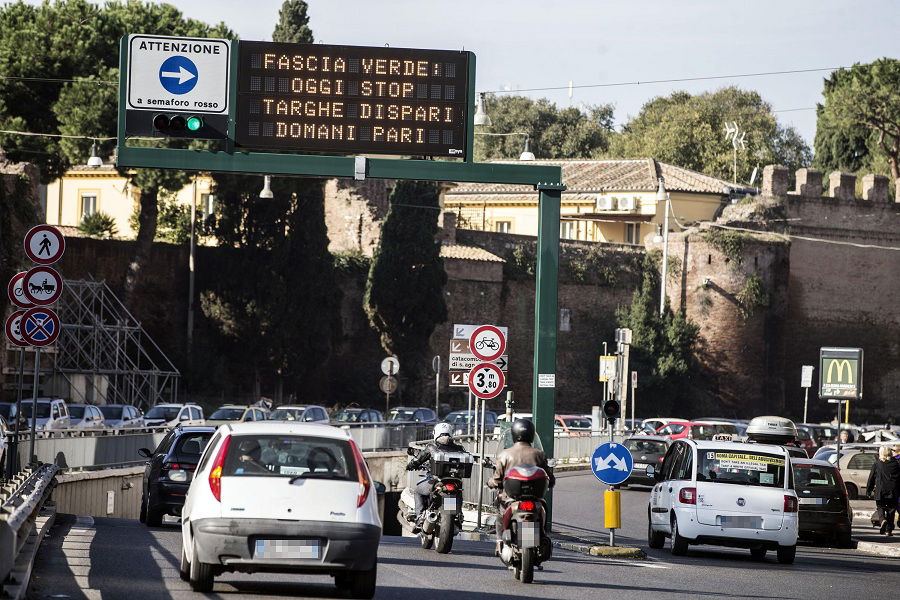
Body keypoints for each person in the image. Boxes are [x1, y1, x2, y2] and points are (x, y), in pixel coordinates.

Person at [487, 419, 556, 543]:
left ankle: (500, 541)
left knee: (499, 516)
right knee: (543, 508)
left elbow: (497, 479)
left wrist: (490, 482)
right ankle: (543, 534)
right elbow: (548, 476)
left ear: (513, 434)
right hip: (535, 498)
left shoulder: (504, 454)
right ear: (531, 434)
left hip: (510, 497)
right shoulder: (539, 454)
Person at [405, 422, 465, 532]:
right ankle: (458, 515)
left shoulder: (432, 447)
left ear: (436, 433)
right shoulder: (459, 448)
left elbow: (419, 460)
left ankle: (419, 518)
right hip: (455, 482)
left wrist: (410, 465)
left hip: (436, 482)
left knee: (417, 491)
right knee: (459, 492)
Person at [866, 445, 900, 536]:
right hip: (893, 491)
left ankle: (882, 520)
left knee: (880, 507)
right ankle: (888, 530)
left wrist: (868, 490)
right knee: (891, 510)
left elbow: (871, 479)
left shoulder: (877, 464)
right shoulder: (896, 464)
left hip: (880, 491)